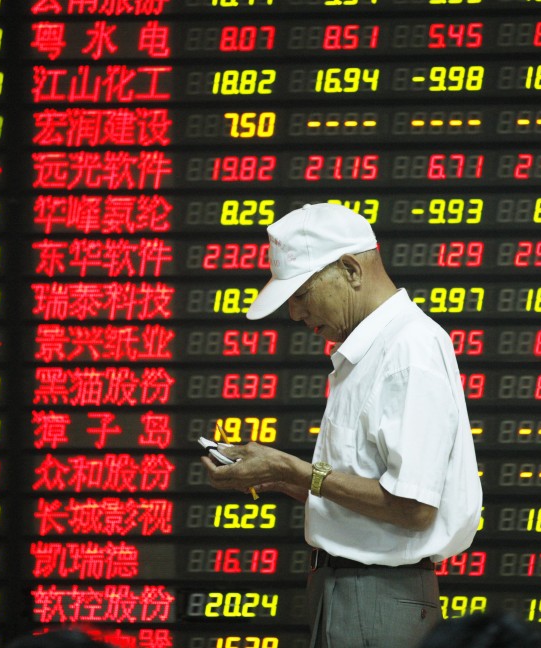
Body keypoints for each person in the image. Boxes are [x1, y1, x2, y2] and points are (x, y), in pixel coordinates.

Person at [201, 203, 483, 648]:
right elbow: (365, 493)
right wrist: (278, 475)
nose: (295, 313)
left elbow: (413, 506)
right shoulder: (371, 352)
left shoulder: (409, 350)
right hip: (351, 592)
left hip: (379, 597)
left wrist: (297, 472)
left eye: (301, 294)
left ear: (350, 269)